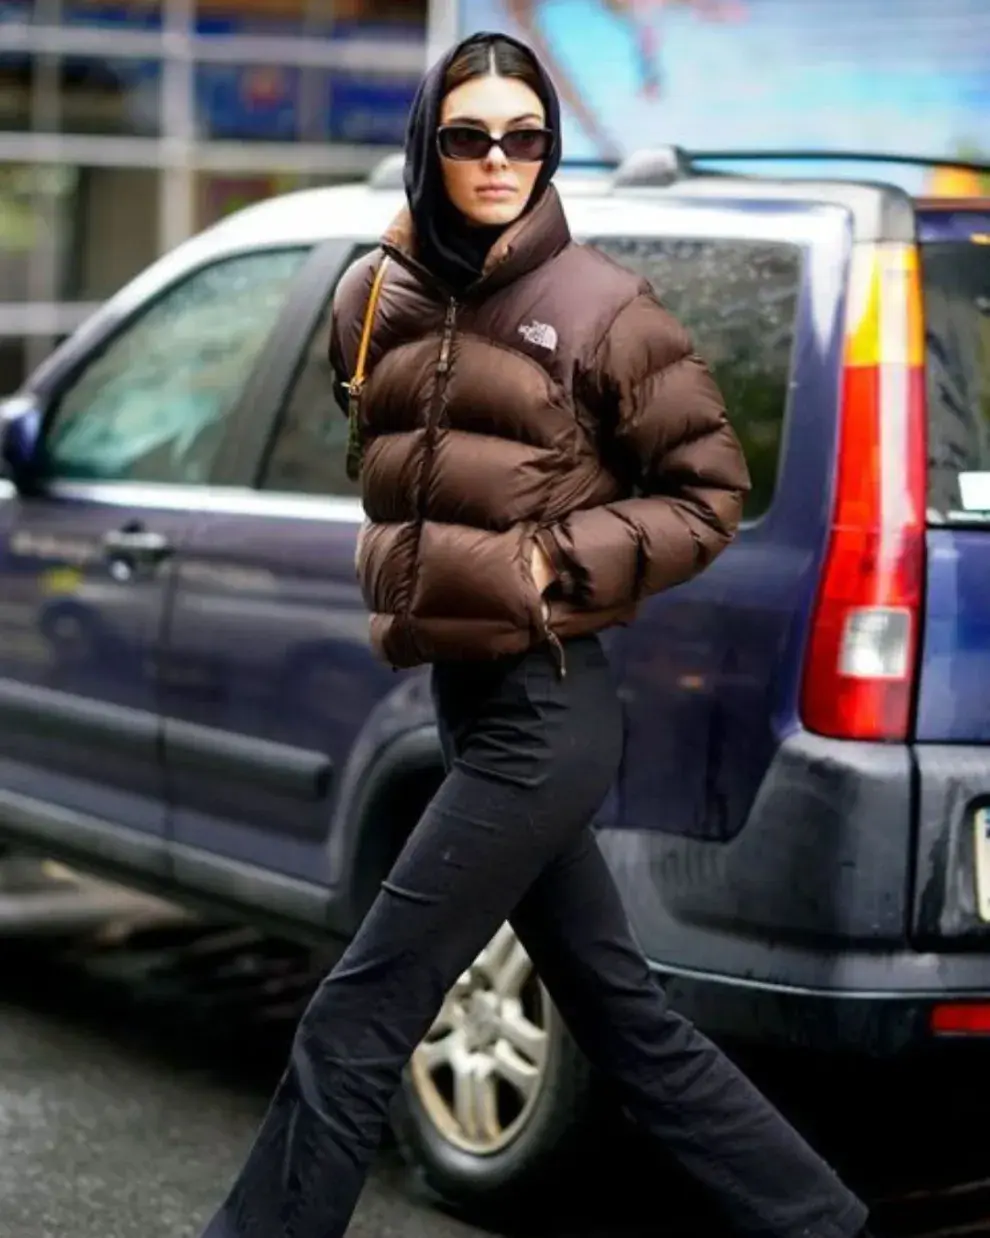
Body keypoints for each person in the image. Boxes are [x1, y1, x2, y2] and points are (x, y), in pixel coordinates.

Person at [198, 31, 873, 1238]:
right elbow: (382, 447)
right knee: (628, 1022)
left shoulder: (603, 305)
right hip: (464, 697)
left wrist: (548, 559)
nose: (501, 159)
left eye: (527, 138)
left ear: (549, 150)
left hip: (548, 708)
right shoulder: (373, 298)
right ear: (428, 147)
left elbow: (707, 489)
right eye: (470, 137)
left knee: (357, 1014)